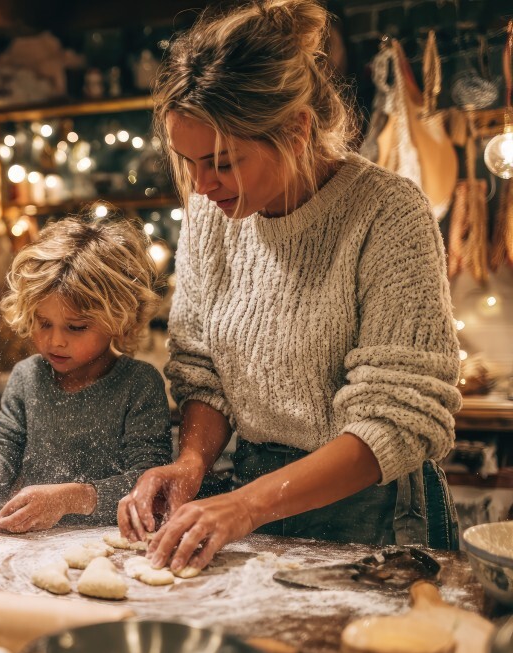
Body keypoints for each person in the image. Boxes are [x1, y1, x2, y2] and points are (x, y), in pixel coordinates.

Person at [118, 0, 462, 575]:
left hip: (373, 512)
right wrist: (192, 463)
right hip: (251, 495)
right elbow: (201, 364)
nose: (203, 186)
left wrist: (246, 506)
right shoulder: (214, 215)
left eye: (223, 161)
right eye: (190, 162)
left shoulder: (387, 213)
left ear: (297, 129)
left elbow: (398, 417)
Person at [0, 215, 173, 532]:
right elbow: (3, 447)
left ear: (120, 318)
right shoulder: (27, 377)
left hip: (114, 543)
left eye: (76, 327)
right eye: (44, 323)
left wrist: (73, 499)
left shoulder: (138, 384)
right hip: (35, 543)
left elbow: (151, 483)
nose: (55, 340)